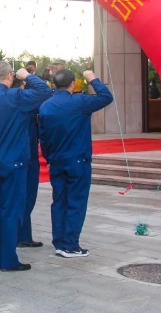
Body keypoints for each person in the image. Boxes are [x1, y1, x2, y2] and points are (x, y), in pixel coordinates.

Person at [0, 61, 51, 272]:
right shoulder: (15, 97)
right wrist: (27, 75)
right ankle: (8, 259)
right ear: (9, 75)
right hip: (13, 164)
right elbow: (44, 91)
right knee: (11, 211)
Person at [39, 69, 113, 258]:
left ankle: (59, 242)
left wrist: (48, 159)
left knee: (59, 202)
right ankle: (70, 245)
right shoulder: (79, 102)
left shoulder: (46, 106)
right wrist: (92, 79)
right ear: (73, 84)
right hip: (77, 161)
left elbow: (43, 138)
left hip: (57, 161)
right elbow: (106, 97)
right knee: (76, 202)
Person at [17, 73, 48, 249]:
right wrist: (28, 75)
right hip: (26, 156)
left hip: (12, 156)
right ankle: (21, 235)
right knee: (26, 197)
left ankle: (22, 234)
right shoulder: (23, 102)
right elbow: (44, 90)